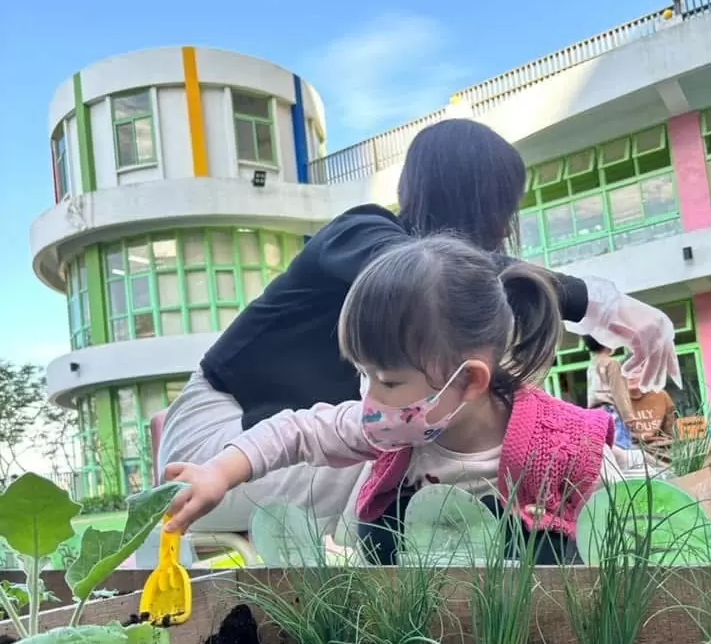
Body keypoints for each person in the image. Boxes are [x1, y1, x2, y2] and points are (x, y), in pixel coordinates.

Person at [159, 119, 680, 536]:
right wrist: (603, 304)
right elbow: (443, 275)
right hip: (218, 443)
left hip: (277, 435)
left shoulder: (428, 322)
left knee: (439, 442)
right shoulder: (366, 235)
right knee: (413, 465)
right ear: (488, 202)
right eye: (508, 207)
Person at [165, 235, 621, 565]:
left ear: (469, 382)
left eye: (388, 380)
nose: (370, 398)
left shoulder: (565, 448)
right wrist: (219, 473)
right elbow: (296, 432)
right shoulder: (391, 427)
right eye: (363, 375)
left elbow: (632, 516)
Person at [584, 335, 635, 450]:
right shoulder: (612, 363)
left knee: (608, 450)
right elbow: (619, 391)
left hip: (596, 414)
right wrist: (628, 416)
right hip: (612, 412)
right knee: (623, 450)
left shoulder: (592, 365)